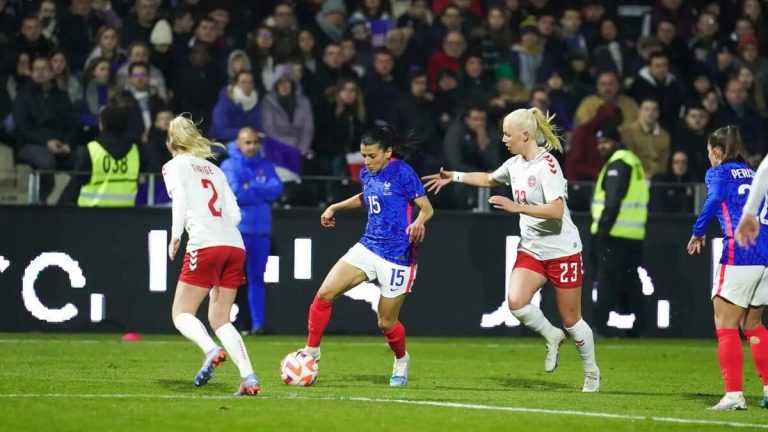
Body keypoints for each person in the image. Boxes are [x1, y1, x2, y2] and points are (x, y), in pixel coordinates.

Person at [423, 107, 601, 392]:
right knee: (516, 303)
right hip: (531, 249)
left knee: (571, 319)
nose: (503, 138)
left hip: (562, 251)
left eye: (508, 134)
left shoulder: (548, 166)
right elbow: (489, 178)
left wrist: (518, 207)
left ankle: (591, 372)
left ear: (526, 135)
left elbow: (556, 210)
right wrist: (453, 176)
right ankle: (551, 336)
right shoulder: (515, 164)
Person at [300, 126, 435, 387]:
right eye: (364, 155)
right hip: (368, 246)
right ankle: (312, 352)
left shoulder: (402, 172)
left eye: (372, 156)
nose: (367, 161)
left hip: (398, 255)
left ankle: (401, 359)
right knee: (325, 293)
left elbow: (427, 209)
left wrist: (419, 222)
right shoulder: (366, 173)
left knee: (386, 323)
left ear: (387, 152)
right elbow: (367, 197)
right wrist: (335, 206)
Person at [162, 114, 261, 396]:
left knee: (181, 313)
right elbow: (236, 214)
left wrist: (176, 234)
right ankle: (249, 377)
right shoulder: (214, 170)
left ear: (171, 143)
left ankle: (210, 350)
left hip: (205, 244)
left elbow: (180, 198)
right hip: (234, 245)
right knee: (221, 319)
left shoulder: (174, 166)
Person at [688, 125, 768, 410]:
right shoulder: (754, 172)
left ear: (718, 153)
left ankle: (734, 395)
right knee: (753, 323)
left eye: (710, 152)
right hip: (765, 251)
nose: (709, 158)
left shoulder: (718, 172)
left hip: (740, 250)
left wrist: (698, 231)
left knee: (725, 325)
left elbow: (713, 200)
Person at [221, 127, 284, 334]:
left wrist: (252, 186)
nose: (252, 146)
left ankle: (258, 325)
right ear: (239, 143)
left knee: (257, 280)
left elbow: (277, 189)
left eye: (255, 142)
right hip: (238, 231)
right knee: (230, 280)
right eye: (248, 142)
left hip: (261, 232)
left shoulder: (265, 164)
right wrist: (261, 190)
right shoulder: (229, 165)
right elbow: (236, 193)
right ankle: (222, 323)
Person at [590, 125, 650, 337]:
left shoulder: (619, 163)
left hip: (614, 234)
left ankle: (600, 326)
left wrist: (602, 231)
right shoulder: (633, 162)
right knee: (630, 281)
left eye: (605, 142)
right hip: (633, 234)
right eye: (599, 143)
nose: (601, 147)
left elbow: (613, 201)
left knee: (606, 280)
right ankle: (641, 326)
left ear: (616, 142)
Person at [60, 106, 141, 207]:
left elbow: (77, 183)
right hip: (126, 213)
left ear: (101, 125)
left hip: (92, 214)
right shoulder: (135, 150)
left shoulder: (92, 150)